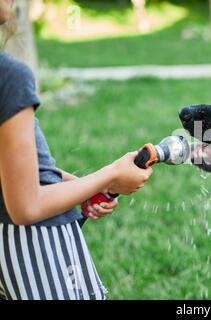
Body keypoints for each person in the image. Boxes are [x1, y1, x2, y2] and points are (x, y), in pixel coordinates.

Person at [0, 0, 153, 300]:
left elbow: (10, 167)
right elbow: (25, 207)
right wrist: (111, 174)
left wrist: (79, 188)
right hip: (34, 246)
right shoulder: (10, 77)